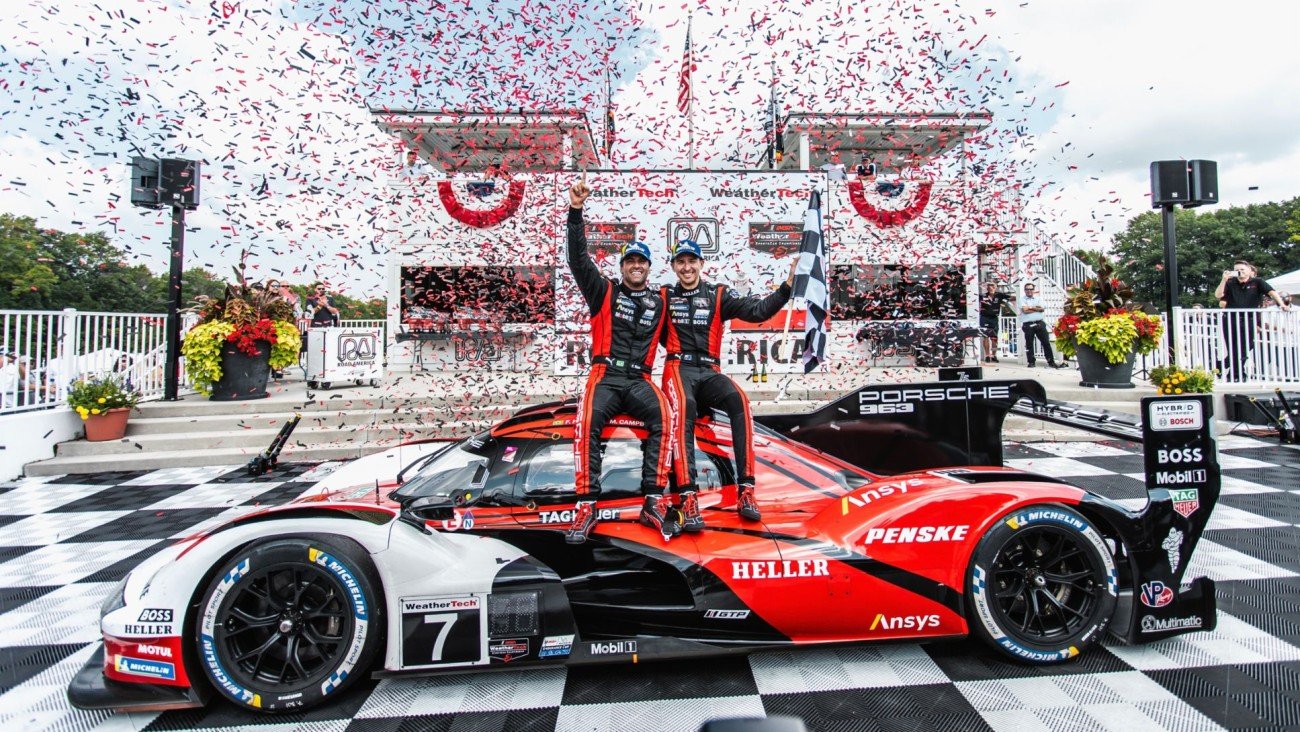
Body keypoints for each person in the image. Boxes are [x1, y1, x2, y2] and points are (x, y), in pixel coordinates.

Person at [566, 179, 674, 544]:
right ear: (623, 265)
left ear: (649, 266)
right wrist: (575, 212)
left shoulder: (661, 302)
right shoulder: (605, 290)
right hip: (606, 375)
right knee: (586, 421)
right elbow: (577, 261)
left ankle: (653, 501)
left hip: (641, 380)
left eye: (641, 261)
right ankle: (586, 505)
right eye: (630, 261)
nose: (636, 266)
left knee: (665, 415)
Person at [661, 241, 794, 527]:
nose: (686, 267)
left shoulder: (718, 294)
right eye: (681, 262)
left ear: (701, 264)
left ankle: (746, 490)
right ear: (673, 266)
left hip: (709, 368)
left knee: (739, 400)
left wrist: (786, 288)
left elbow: (757, 311)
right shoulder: (663, 295)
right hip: (677, 367)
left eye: (691, 261)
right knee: (684, 407)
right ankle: (688, 496)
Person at [1214, 260, 1291, 380]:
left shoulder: (1258, 282)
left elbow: (1272, 293)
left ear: (1250, 271)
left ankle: (1224, 368)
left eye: (1242, 269)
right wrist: (1223, 279)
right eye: (1237, 270)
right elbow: (1218, 296)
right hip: (1230, 319)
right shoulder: (1230, 282)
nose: (1239, 272)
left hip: (1249, 319)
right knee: (1233, 347)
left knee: (1245, 347)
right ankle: (1236, 374)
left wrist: (1281, 304)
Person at [1019, 283, 1062, 368]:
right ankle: (1031, 362)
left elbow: (1042, 309)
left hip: (1039, 323)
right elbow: (1025, 311)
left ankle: (1051, 361)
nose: (1029, 291)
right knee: (1029, 344)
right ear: (1024, 290)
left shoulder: (1039, 298)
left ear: (1033, 290)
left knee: (1046, 343)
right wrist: (1036, 309)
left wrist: (1030, 307)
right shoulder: (1021, 299)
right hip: (1028, 324)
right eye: (1027, 289)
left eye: (1031, 289)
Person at [978, 280, 1013, 363]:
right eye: (989, 286)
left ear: (996, 287)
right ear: (987, 287)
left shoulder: (999, 295)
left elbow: (1011, 297)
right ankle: (987, 355)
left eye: (993, 286)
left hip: (994, 318)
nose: (991, 287)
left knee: (994, 337)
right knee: (985, 336)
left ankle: (994, 355)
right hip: (984, 317)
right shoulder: (983, 296)